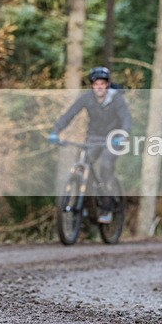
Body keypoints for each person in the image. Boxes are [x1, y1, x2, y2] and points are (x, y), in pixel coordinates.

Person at [48, 66, 131, 224]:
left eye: (102, 83)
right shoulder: (86, 98)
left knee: (106, 166)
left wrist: (122, 135)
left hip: (113, 139)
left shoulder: (117, 99)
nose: (99, 87)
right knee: (83, 165)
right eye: (96, 84)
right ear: (92, 85)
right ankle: (86, 202)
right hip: (93, 137)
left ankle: (108, 206)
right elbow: (69, 114)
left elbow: (126, 119)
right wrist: (55, 131)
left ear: (107, 84)